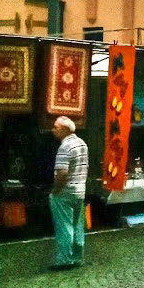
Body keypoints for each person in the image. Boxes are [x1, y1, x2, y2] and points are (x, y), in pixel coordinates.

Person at [49, 116, 88, 271]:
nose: (53, 130)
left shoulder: (65, 147)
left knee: (64, 226)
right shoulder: (82, 144)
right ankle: (77, 257)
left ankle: (65, 259)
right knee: (78, 226)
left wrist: (55, 191)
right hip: (80, 190)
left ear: (64, 130)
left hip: (65, 191)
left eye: (55, 127)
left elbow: (62, 173)